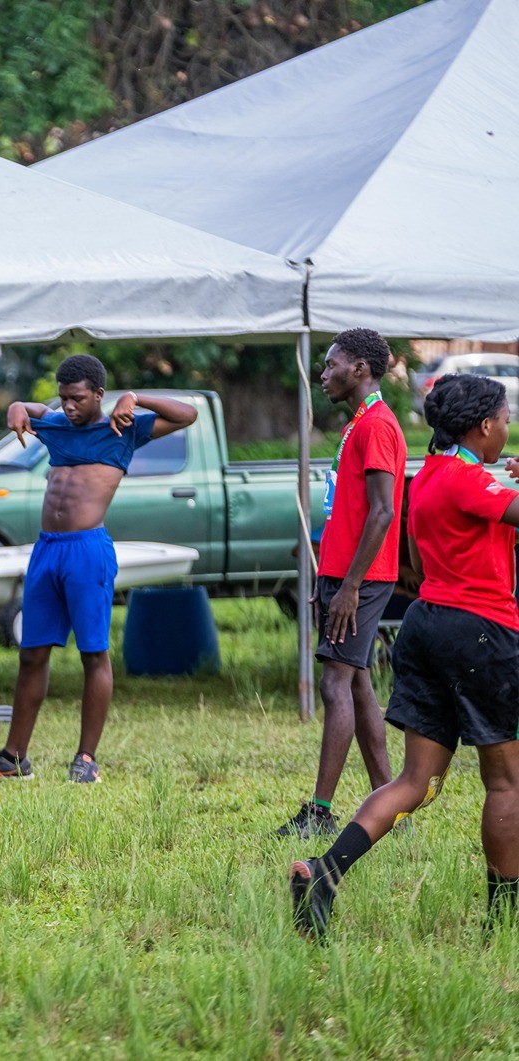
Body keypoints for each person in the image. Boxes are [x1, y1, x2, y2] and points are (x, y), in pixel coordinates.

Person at [290, 374, 519, 940]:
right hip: (481, 632)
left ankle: (323, 874)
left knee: (417, 780)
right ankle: (503, 921)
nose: (507, 428)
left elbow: (416, 560)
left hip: (426, 625)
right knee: (506, 782)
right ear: (484, 425)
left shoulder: (430, 478)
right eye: (505, 419)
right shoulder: (470, 481)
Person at [0, 354, 197, 784]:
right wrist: (16, 406)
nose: (69, 406)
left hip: (87, 551)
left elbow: (188, 415)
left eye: (77, 398)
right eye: (64, 398)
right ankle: (13, 757)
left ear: (99, 395)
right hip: (46, 551)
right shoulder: (56, 424)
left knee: (93, 653)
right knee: (31, 654)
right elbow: (34, 410)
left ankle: (86, 759)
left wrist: (136, 397)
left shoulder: (122, 430)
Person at [274, 329, 406, 838]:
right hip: (343, 574)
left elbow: (383, 512)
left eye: (331, 365)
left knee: (334, 685)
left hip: (362, 579)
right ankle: (390, 804)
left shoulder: (378, 426)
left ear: (360, 369)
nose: (323, 374)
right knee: (358, 684)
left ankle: (321, 812)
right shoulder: (357, 424)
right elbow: (346, 511)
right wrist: (328, 577)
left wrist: (350, 586)